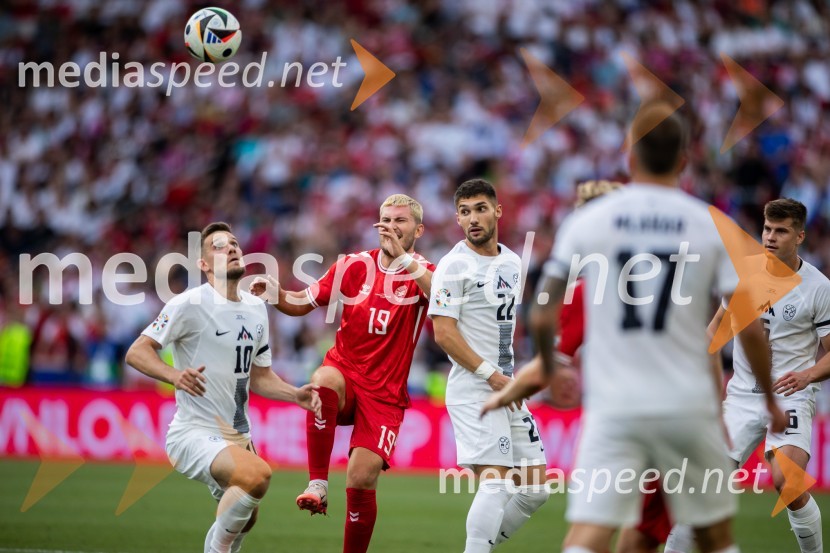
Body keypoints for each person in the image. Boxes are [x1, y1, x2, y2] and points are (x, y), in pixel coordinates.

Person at [484, 102, 786, 553]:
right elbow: (747, 325)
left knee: (589, 535)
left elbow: (543, 309)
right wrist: (769, 399)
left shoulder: (589, 221)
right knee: (715, 538)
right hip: (687, 408)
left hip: (615, 409)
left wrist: (547, 366)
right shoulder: (708, 224)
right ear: (684, 160)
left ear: (630, 158)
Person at [249, 194, 433, 553]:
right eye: (385, 220)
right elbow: (305, 301)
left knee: (361, 478)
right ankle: (317, 484)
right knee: (323, 381)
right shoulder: (353, 266)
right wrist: (277, 294)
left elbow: (443, 298)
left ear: (419, 229)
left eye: (400, 221)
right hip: (345, 373)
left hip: (385, 394)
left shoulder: (424, 272)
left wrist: (407, 260)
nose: (391, 228)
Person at [644, 198, 828, 553]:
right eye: (767, 229)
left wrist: (807, 375)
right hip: (741, 397)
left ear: (800, 236)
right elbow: (717, 331)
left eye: (782, 231)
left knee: (787, 481)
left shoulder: (818, 288)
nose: (771, 237)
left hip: (790, 396)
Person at [125, 222, 321, 553]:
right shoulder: (189, 304)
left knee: (247, 516)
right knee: (257, 476)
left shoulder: (256, 308)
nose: (231, 248)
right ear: (203, 264)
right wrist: (174, 375)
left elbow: (259, 377)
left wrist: (295, 394)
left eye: (233, 243)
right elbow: (137, 352)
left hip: (236, 436)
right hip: (194, 432)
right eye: (218, 246)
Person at [429, 179, 549, 553]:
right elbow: (444, 334)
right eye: (464, 212)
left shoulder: (513, 262)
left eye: (480, 208)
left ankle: (481, 547)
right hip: (474, 389)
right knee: (496, 484)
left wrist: (507, 378)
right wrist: (492, 376)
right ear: (457, 219)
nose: (472, 218)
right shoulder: (453, 266)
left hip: (506, 386)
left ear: (498, 211)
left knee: (535, 491)